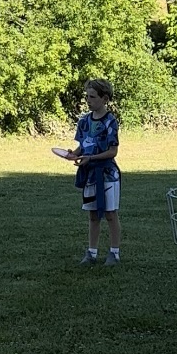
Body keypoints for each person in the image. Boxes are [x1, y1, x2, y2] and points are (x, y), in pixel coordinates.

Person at [64, 79, 121, 265]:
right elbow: (84, 145)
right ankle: (92, 253)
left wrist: (92, 158)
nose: (88, 100)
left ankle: (114, 253)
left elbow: (113, 151)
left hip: (107, 174)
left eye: (92, 97)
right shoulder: (84, 121)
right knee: (93, 215)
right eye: (87, 96)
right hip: (89, 174)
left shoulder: (110, 121)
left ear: (104, 98)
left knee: (110, 213)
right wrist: (73, 154)